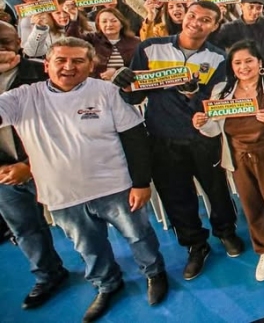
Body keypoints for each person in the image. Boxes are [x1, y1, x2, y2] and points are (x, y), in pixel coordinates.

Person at [0, 38, 167, 322]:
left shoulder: (106, 92)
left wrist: (141, 183)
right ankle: (107, 285)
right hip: (63, 194)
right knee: (88, 247)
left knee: (139, 236)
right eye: (61, 60)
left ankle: (154, 274)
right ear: (46, 65)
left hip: (115, 186)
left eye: (78, 61)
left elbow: (135, 138)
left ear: (91, 66)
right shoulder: (22, 97)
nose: (69, 67)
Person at [120, 1, 244, 281]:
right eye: (192, 15)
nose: (196, 22)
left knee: (217, 190)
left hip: (203, 137)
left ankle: (226, 232)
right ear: (183, 16)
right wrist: (126, 86)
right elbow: (134, 96)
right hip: (162, 138)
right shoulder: (150, 48)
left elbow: (217, 102)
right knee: (176, 197)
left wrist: (194, 95)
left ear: (215, 26)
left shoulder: (218, 58)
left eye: (205, 20)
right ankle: (195, 245)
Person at [193, 40, 264, 282]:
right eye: (238, 63)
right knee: (252, 205)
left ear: (260, 62)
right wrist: (203, 124)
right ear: (231, 66)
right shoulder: (221, 91)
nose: (244, 67)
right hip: (239, 156)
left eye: (249, 61)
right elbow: (214, 130)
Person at [0, 23, 69, 311]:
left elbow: (69, 122)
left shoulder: (43, 72)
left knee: (79, 224)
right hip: (4, 173)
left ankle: (104, 275)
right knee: (25, 228)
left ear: (19, 40)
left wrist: (30, 165)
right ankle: (47, 275)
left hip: (51, 163)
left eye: (4, 41)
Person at [214, 0, 264, 78]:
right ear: (241, 6)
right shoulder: (229, 28)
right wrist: (216, 20)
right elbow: (214, 47)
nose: (254, 11)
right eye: (250, 7)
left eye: (259, 8)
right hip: (241, 76)